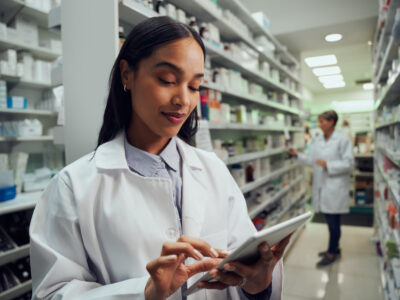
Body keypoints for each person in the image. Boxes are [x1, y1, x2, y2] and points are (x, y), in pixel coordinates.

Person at [29, 17, 290, 300]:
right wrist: (144, 293)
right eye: (167, 80)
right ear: (127, 74)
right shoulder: (73, 186)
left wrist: (258, 286)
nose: (183, 100)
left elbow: (245, 263)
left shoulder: (212, 168)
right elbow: (50, 294)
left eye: (194, 86)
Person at [288, 110, 354, 267]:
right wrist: (297, 155)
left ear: (331, 122)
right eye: (319, 121)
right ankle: (334, 248)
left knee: (333, 223)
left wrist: (329, 165)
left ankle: (332, 253)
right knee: (331, 222)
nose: (319, 124)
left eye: (322, 121)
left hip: (335, 188)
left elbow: (349, 164)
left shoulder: (343, 140)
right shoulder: (317, 140)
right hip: (323, 187)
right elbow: (312, 160)